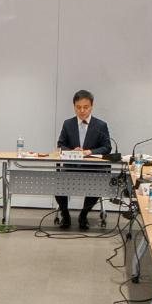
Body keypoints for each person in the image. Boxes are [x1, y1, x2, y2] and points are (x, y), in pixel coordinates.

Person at [54, 89, 112, 231]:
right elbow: (60, 145)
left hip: (93, 168)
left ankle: (83, 215)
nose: (82, 111)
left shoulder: (100, 125)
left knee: (97, 183)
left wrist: (89, 152)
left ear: (91, 106)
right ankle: (65, 214)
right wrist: (72, 151)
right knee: (57, 181)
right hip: (71, 167)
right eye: (78, 107)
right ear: (74, 106)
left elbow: (107, 147)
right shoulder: (68, 124)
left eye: (85, 107)